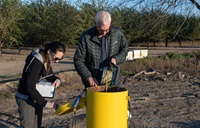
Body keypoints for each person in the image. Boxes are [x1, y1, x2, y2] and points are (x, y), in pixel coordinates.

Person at [15, 41, 65, 128]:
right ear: (49, 51)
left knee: (37, 124)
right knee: (28, 125)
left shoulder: (46, 58)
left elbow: (49, 75)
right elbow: (30, 87)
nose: (57, 61)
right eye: (56, 58)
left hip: (36, 96)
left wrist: (57, 80)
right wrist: (46, 103)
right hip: (26, 97)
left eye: (60, 59)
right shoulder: (36, 61)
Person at [74, 11, 128, 88]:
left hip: (113, 81)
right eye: (100, 30)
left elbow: (125, 49)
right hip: (93, 82)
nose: (104, 33)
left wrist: (117, 59)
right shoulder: (86, 37)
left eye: (107, 30)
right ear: (96, 24)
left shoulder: (118, 34)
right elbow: (78, 60)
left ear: (110, 24)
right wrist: (88, 77)